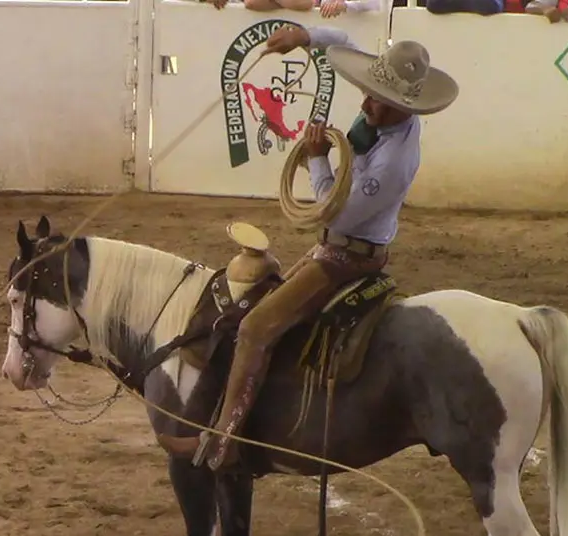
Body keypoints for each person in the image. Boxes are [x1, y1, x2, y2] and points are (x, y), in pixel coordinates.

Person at [196, 24, 459, 472]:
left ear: (402, 106)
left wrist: (318, 157)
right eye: (370, 92)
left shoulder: (393, 163)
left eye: (377, 100)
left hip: (346, 258)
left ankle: (225, 442)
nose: (366, 103)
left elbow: (334, 214)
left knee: (256, 328)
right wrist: (303, 35)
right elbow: (344, 43)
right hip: (338, 249)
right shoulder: (386, 114)